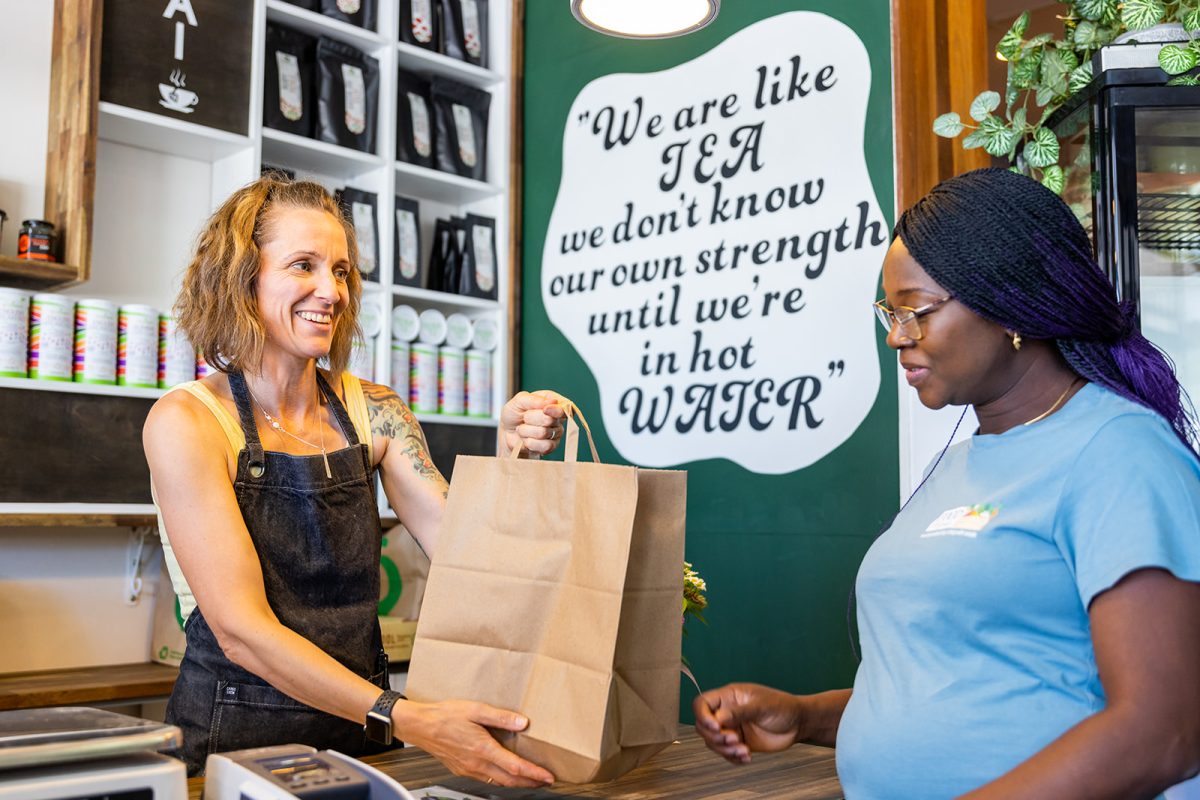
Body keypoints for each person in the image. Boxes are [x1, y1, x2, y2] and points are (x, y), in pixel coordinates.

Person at [692, 168, 1200, 799]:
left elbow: (1167, 729)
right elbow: (961, 678)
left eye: (917, 312)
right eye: (891, 312)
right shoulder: (961, 464)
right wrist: (805, 716)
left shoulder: (1118, 452)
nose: (895, 337)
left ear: (1012, 303)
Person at [144, 176, 566, 785]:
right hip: (233, 752)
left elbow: (469, 559)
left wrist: (510, 459)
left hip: (362, 742)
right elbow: (243, 633)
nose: (331, 291)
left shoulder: (376, 411)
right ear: (242, 279)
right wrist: (406, 717)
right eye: (303, 265)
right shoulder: (188, 421)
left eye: (341, 271)